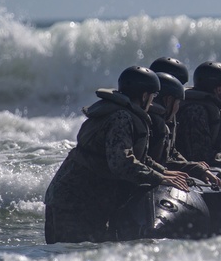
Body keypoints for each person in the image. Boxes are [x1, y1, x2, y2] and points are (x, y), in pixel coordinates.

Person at [44, 66, 191, 244]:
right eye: (152, 97)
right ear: (144, 96)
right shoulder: (121, 118)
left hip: (74, 200)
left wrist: (163, 173)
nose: (152, 103)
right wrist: (158, 178)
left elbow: (135, 158)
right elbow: (122, 163)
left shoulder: (120, 114)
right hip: (75, 204)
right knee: (73, 258)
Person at [149, 72, 221, 188]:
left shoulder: (159, 123)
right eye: (178, 103)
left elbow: (166, 156)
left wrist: (192, 167)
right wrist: (160, 176)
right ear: (168, 100)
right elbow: (131, 163)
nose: (178, 108)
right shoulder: (151, 125)